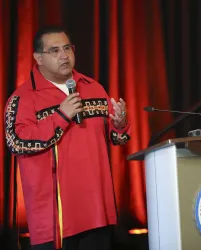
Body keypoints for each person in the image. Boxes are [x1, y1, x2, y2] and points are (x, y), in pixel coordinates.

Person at [4, 26, 131, 250]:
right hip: (55, 219)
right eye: (54, 51)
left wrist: (119, 125)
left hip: (97, 211)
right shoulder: (22, 98)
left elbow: (114, 140)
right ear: (38, 58)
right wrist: (61, 116)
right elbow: (17, 143)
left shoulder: (94, 88)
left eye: (67, 48)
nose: (64, 56)